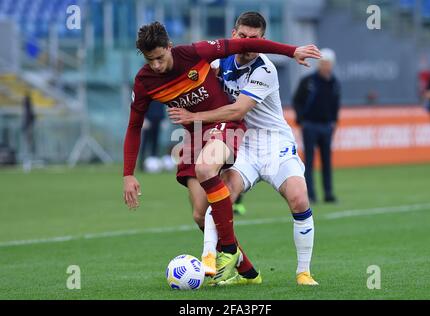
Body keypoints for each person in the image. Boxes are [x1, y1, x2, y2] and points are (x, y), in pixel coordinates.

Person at [122, 21, 321, 284]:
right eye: (151, 60)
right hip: (197, 134)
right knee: (199, 212)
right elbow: (134, 125)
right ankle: (247, 271)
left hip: (234, 128)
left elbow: (238, 103)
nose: (157, 65)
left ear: (170, 47)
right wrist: (128, 174)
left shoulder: (200, 53)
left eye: (160, 58)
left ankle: (219, 254)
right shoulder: (148, 80)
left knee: (210, 170)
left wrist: (291, 50)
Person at [293, 48, 341, 203]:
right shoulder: (308, 81)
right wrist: (301, 120)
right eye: (323, 63)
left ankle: (328, 193)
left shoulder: (334, 83)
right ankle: (311, 194)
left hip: (326, 126)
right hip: (310, 125)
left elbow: (335, 105)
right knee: (309, 162)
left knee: (327, 162)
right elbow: (297, 100)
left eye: (328, 63)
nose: (325, 66)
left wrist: (334, 122)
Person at [138, 100, 166, 172]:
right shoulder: (147, 91)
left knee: (155, 143)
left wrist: (163, 119)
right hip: (148, 120)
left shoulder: (161, 93)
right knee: (145, 143)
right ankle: (142, 164)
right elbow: (141, 105)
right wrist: (143, 118)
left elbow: (162, 106)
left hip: (158, 120)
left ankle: (154, 164)